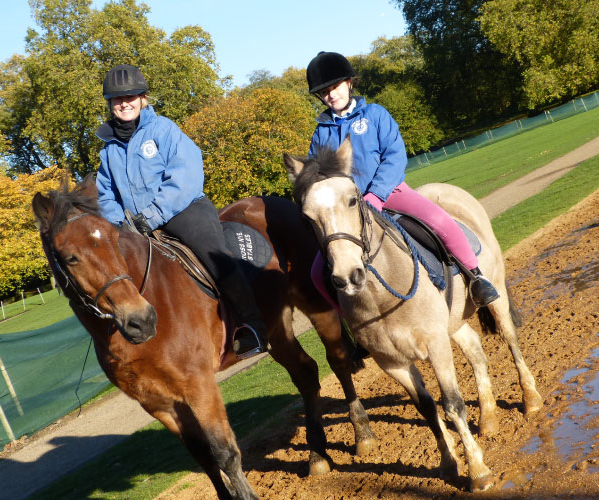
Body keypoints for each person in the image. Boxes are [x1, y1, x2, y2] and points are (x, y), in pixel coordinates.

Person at [95, 64, 267, 359]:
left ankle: (252, 326)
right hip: (133, 226)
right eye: (117, 100)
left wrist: (151, 215)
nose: (124, 104)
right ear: (111, 105)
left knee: (215, 255)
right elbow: (105, 193)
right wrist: (118, 223)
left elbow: (185, 174)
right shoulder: (108, 149)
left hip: (182, 210)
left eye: (131, 97)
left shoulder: (163, 130)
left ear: (142, 98)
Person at [305, 51, 500, 308]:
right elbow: (317, 178)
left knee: (440, 220)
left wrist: (376, 193)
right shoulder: (321, 133)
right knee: (317, 274)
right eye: (325, 91)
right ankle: (349, 323)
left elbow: (395, 155)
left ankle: (477, 277)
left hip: (391, 192)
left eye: (335, 86)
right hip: (348, 209)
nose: (331, 94)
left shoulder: (374, 114)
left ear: (349, 83)